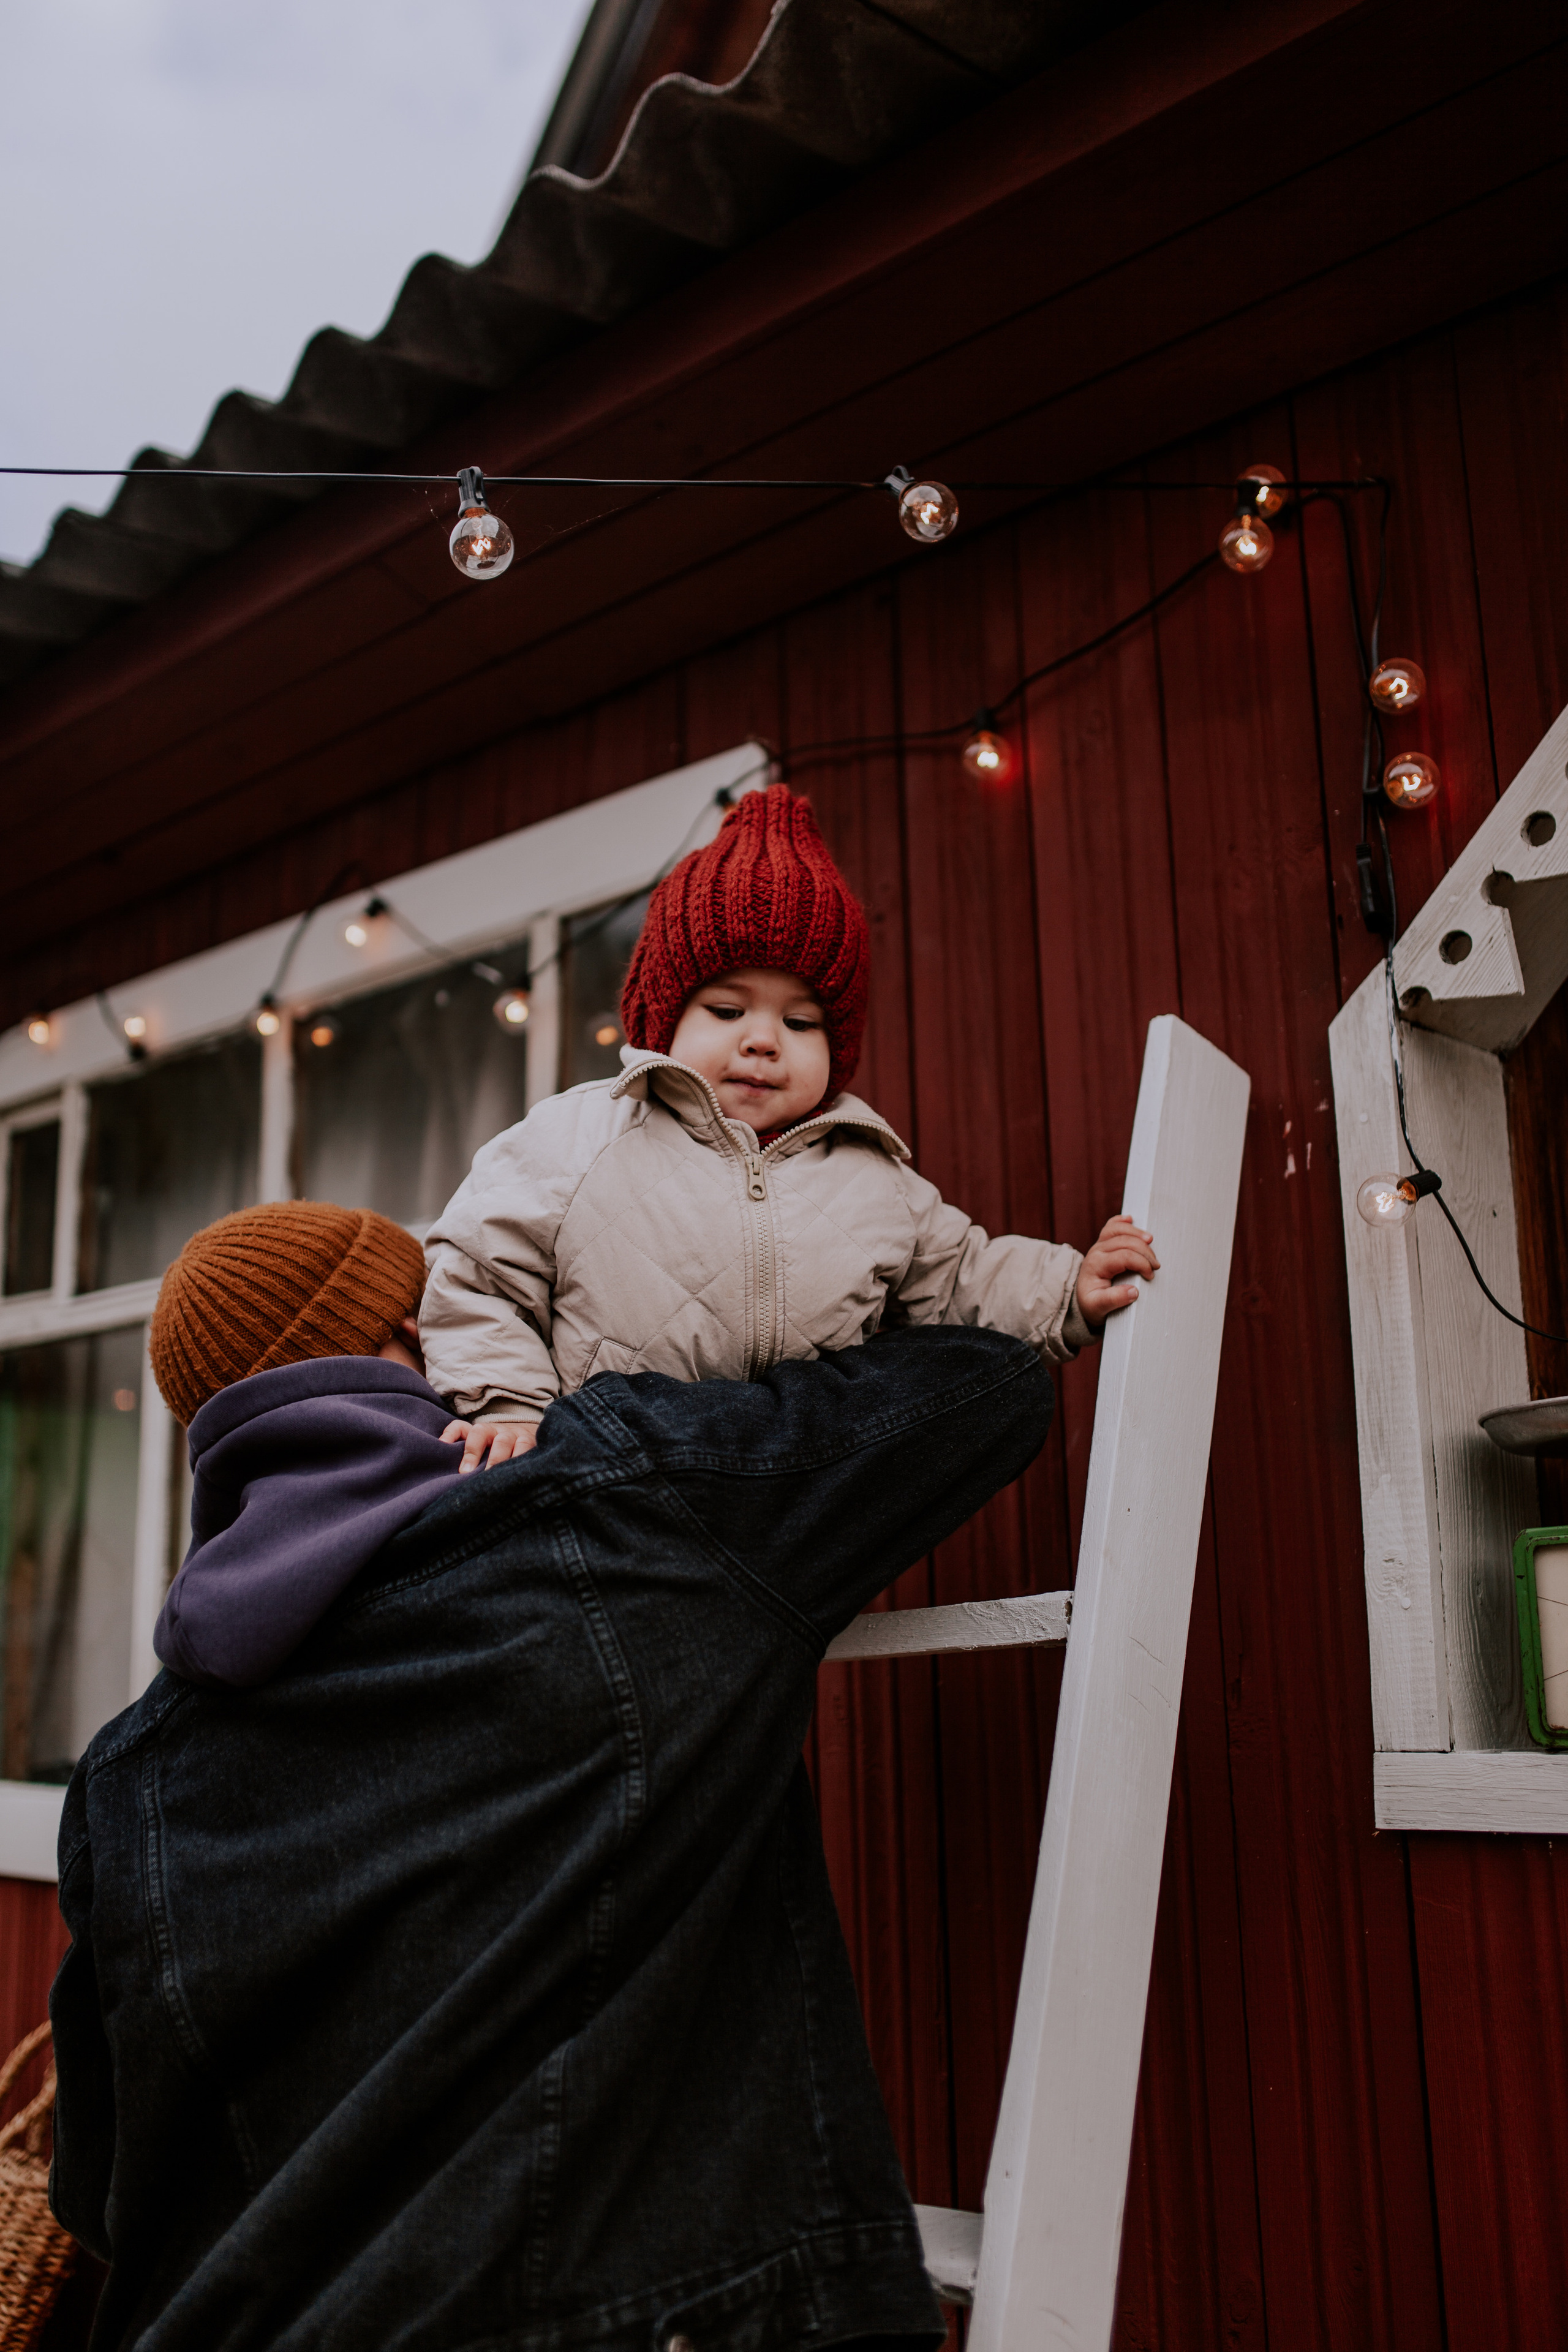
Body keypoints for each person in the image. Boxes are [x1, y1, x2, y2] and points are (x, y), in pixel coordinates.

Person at [50, 1199, 1055, 2351]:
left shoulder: (126, 1779)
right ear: (416, 1336)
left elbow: (98, 2193)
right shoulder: (631, 1495)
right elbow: (988, 1381)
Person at [419, 782, 1157, 1473]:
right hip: (618, 1465)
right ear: (664, 1018)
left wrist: (1069, 1289)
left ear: (837, 1047)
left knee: (985, 1373)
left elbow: (961, 1278)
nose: (763, 1041)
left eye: (800, 1021)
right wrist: (512, 1406)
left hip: (790, 1481)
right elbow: (480, 1274)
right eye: (727, 1011)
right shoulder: (581, 1135)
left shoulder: (872, 1174)